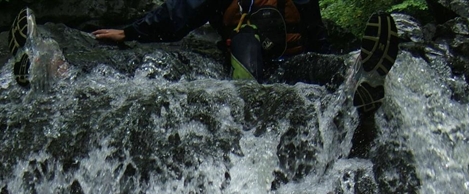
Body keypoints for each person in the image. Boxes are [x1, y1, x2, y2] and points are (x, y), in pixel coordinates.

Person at [90, 1, 399, 114]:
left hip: (292, 66)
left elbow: (318, 38)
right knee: (305, 69)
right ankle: (354, 80)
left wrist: (332, 59)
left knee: (320, 65)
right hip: (253, 70)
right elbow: (177, 15)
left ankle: (360, 73)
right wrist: (130, 32)